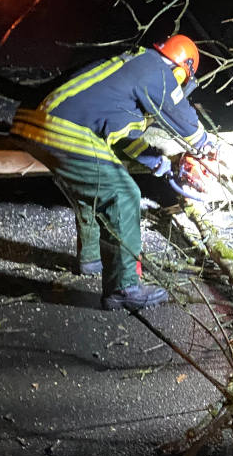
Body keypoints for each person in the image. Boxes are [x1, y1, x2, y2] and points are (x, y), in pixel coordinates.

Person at [11, 34, 212, 311]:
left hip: (31, 122)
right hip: (61, 126)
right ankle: (124, 287)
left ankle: (90, 259)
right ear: (180, 69)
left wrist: (157, 162)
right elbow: (176, 109)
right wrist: (205, 144)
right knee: (123, 194)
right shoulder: (155, 69)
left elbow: (121, 135)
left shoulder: (130, 73)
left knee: (91, 188)